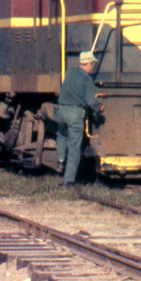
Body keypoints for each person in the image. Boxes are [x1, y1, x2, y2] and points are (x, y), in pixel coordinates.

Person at [55, 50, 102, 187]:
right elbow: (90, 101)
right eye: (93, 64)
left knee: (62, 136)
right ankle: (68, 181)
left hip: (61, 111)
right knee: (74, 148)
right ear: (88, 63)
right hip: (74, 113)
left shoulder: (69, 72)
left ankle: (60, 161)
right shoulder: (87, 79)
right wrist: (97, 110)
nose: (93, 67)